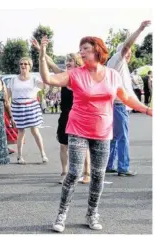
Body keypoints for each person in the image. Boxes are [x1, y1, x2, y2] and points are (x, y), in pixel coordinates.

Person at [37, 35, 152, 232]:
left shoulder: (112, 75)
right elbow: (48, 79)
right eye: (80, 48)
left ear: (97, 51)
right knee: (73, 173)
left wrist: (147, 109)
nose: (81, 52)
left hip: (102, 131)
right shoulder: (75, 74)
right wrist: (42, 56)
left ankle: (92, 213)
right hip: (78, 129)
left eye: (86, 49)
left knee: (98, 175)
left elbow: (126, 98)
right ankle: (61, 214)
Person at [33, 44, 91, 184]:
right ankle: (65, 172)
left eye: (70, 60)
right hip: (65, 115)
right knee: (63, 145)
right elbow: (51, 63)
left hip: (81, 116)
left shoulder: (84, 78)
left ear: (77, 62)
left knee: (83, 146)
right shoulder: (64, 77)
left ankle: (87, 173)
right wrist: (41, 50)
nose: (67, 63)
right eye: (66, 61)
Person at [106, 20, 151, 176]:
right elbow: (126, 46)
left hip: (114, 105)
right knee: (122, 137)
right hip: (118, 105)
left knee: (113, 137)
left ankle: (110, 164)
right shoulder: (117, 60)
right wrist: (140, 29)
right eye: (128, 52)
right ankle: (123, 167)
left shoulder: (118, 64)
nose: (129, 54)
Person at [7, 57, 48, 164]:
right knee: (20, 132)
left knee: (35, 131)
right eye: (21, 64)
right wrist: (9, 113)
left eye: (26, 64)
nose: (23, 66)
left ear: (30, 66)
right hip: (18, 108)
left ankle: (43, 154)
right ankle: (20, 157)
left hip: (32, 107)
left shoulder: (34, 79)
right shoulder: (13, 79)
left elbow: (44, 86)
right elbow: (8, 96)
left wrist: (45, 74)